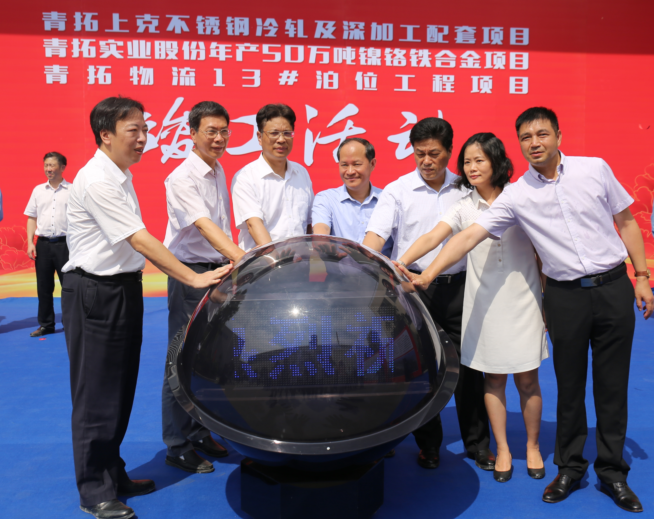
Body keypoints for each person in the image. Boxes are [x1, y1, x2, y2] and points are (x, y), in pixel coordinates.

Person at [399, 107, 653, 513]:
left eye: (542, 134)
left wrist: (641, 275)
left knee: (611, 387)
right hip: (565, 296)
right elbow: (466, 237)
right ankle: (569, 468)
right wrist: (426, 274)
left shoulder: (594, 169)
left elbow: (625, 221)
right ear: (518, 144)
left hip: (612, 288)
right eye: (526, 137)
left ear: (558, 136)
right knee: (569, 388)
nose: (535, 143)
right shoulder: (517, 195)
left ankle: (612, 473)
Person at [62, 97, 232, 519]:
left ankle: (113, 473)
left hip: (122, 289)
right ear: (106, 135)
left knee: (119, 390)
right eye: (133, 130)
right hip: (95, 292)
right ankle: (94, 491)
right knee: (96, 395)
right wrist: (192, 277)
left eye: (144, 129)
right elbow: (139, 239)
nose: (143, 138)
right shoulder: (97, 180)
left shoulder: (121, 175)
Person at [395, 133, 548, 483]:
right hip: (483, 303)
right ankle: (503, 448)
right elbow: (434, 237)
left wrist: (547, 300)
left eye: (480, 160)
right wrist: (400, 263)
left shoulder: (519, 198)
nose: (472, 167)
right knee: (492, 380)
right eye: (466, 162)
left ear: (497, 162)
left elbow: (542, 251)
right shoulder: (463, 206)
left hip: (524, 301)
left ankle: (533, 447)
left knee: (528, 379)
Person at [362, 117, 494, 472]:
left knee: (470, 368)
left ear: (450, 151)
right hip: (414, 290)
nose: (426, 161)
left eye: (434, 153)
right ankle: (429, 444)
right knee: (420, 368)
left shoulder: (467, 186)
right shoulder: (398, 190)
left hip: (463, 287)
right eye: (419, 153)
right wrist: (363, 265)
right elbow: (376, 236)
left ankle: (478, 444)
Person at [162, 101, 245, 474]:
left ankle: (199, 432)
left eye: (224, 131)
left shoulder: (217, 169)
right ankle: (177, 444)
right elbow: (203, 225)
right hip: (190, 275)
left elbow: (221, 224)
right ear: (192, 133)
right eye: (211, 131)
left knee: (210, 357)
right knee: (180, 359)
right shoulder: (182, 177)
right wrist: (243, 258)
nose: (219, 138)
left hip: (217, 271)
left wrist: (232, 262)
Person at [231, 104, 313, 251]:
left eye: (287, 133)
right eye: (274, 133)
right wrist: (277, 259)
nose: (281, 140)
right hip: (264, 262)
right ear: (259, 137)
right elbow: (253, 224)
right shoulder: (245, 177)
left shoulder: (302, 173)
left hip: (300, 261)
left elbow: (308, 224)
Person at [312, 137, 392, 256]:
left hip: (380, 267)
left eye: (357, 164)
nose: (350, 171)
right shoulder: (326, 198)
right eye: (344, 165)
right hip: (339, 266)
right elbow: (321, 229)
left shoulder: (388, 199)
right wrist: (323, 244)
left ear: (372, 164)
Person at [24, 152, 71, 337]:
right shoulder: (38, 190)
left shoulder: (72, 190)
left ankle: (70, 323)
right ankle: (46, 324)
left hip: (65, 245)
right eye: (46, 165)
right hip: (43, 245)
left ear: (62, 167)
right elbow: (31, 217)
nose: (48, 169)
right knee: (43, 287)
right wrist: (30, 242)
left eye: (52, 165)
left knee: (69, 286)